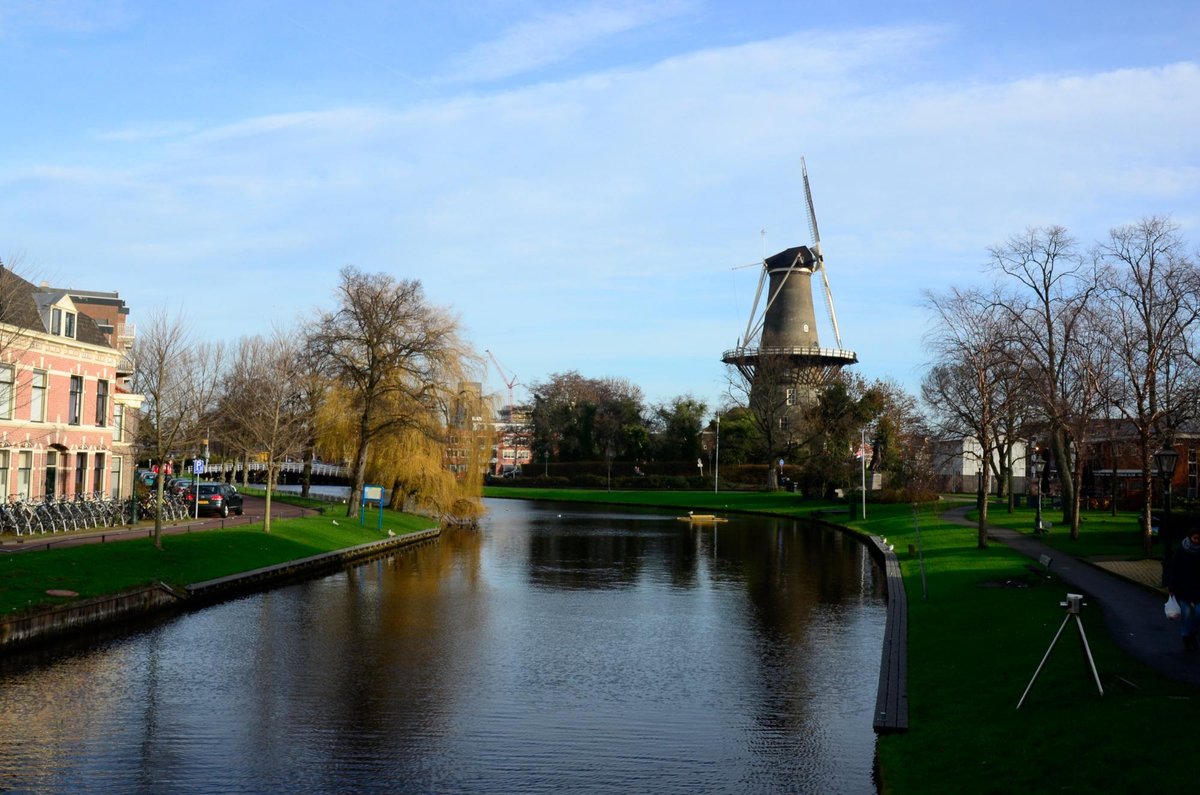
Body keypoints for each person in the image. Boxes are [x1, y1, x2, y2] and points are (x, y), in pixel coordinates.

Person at [1167, 528, 1200, 651]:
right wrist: (1172, 587)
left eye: (1199, 539)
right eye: (1195, 538)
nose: (1197, 541)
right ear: (1190, 537)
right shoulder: (1182, 550)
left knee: (1198, 613)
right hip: (1184, 588)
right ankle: (1186, 637)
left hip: (1197, 588)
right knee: (1186, 615)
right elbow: (1175, 569)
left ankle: (1191, 633)